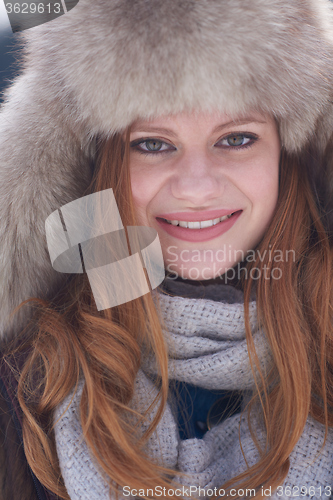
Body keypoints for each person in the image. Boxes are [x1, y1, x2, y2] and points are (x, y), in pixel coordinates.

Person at [0, 0, 332, 499]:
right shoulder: (22, 388)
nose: (196, 187)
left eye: (238, 138)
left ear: (288, 154)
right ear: (98, 164)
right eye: (153, 143)